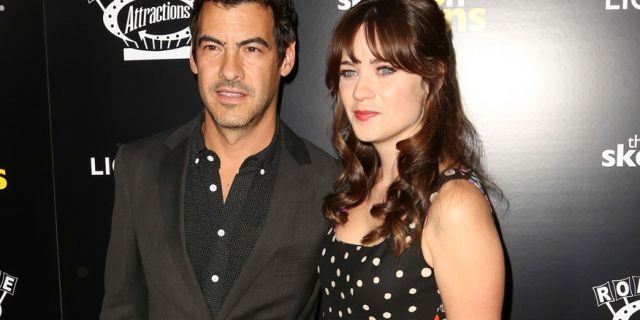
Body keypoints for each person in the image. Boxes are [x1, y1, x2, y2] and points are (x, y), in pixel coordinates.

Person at [99, 0, 337, 319]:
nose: (229, 70)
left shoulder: (330, 184)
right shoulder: (138, 166)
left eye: (251, 49)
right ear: (193, 57)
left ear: (286, 58)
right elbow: (121, 307)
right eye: (213, 47)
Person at [318, 0, 505, 319]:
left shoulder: (453, 204)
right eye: (349, 71)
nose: (360, 91)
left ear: (432, 78)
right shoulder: (361, 185)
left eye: (384, 69)